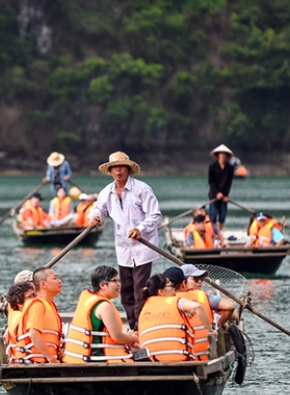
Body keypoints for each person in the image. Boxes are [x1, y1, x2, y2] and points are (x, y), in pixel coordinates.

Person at [88, 152, 161, 331]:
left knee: (140, 289)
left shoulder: (142, 189)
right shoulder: (107, 192)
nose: (118, 170)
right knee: (126, 291)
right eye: (115, 167)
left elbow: (155, 215)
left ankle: (141, 327)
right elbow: (97, 210)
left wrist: (140, 230)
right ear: (110, 170)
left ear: (128, 169)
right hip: (123, 248)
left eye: (121, 167)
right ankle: (133, 325)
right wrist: (95, 217)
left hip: (143, 246)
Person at [63, 266, 140, 363]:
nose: (119, 284)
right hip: (99, 361)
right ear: (103, 285)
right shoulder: (104, 306)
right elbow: (117, 337)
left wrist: (129, 338)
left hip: (77, 359)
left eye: (119, 280)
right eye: (115, 281)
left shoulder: (88, 299)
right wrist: (136, 339)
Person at [137, 274, 213, 361]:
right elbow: (197, 307)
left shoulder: (144, 309)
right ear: (161, 292)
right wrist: (210, 330)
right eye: (170, 285)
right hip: (178, 360)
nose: (173, 288)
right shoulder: (176, 301)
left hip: (151, 361)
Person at [13, 268, 64, 364]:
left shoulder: (50, 305)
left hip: (46, 363)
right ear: (43, 284)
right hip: (34, 365)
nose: (59, 281)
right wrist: (51, 359)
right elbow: (33, 334)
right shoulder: (37, 305)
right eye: (55, 278)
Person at [165, 265, 236, 329]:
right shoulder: (204, 296)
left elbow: (231, 309)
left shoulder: (165, 299)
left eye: (201, 279)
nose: (200, 282)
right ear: (183, 281)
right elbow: (230, 306)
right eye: (195, 279)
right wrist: (220, 323)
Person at [4, 281, 36, 364]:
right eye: (31, 296)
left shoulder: (17, 316)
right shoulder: (22, 319)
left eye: (35, 295)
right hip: (30, 366)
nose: (35, 299)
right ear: (19, 302)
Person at [207, 144, 235, 233]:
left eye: (224, 154)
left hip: (224, 196)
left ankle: (218, 232)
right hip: (214, 195)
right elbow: (211, 181)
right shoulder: (212, 167)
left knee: (222, 215)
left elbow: (229, 182)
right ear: (218, 155)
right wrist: (218, 192)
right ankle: (213, 232)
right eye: (221, 154)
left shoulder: (230, 168)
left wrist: (225, 195)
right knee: (213, 215)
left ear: (226, 156)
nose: (222, 156)